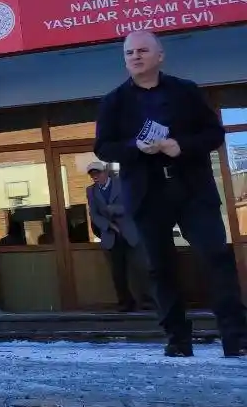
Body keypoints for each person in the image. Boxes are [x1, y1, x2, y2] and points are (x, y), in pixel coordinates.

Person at [94, 30, 245, 358]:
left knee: (216, 258)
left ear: (159, 56)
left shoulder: (186, 91)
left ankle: (236, 337)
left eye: (142, 50)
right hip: (148, 195)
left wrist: (182, 146)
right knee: (160, 267)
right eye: (129, 52)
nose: (135, 56)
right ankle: (177, 339)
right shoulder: (114, 101)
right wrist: (136, 147)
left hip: (192, 190)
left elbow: (214, 133)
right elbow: (103, 146)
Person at [85, 160, 147, 312]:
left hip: (130, 232)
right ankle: (125, 302)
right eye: (92, 174)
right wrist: (108, 225)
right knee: (118, 272)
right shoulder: (91, 191)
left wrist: (113, 209)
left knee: (141, 266)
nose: (95, 177)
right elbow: (93, 213)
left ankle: (148, 300)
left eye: (97, 173)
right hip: (111, 235)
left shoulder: (122, 184)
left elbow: (132, 205)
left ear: (105, 172)